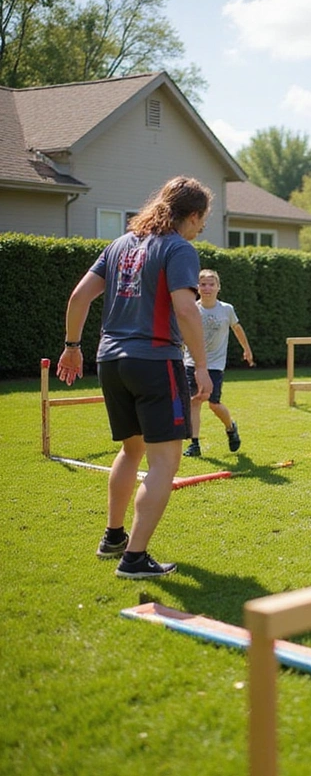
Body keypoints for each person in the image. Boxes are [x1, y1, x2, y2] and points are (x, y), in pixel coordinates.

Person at [56, 176, 214, 579]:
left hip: (110, 361)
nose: (201, 230)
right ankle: (134, 558)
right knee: (165, 461)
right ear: (191, 216)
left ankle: (113, 537)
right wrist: (200, 365)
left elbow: (78, 297)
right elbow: (186, 310)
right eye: (201, 221)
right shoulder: (178, 248)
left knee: (132, 450)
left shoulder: (119, 245)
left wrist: (72, 345)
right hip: (155, 360)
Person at [182, 268, 254, 457]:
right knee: (194, 401)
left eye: (211, 284)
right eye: (203, 284)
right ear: (197, 287)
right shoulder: (192, 308)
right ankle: (194, 444)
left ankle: (231, 427)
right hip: (192, 362)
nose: (207, 288)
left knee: (213, 403)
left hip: (214, 365)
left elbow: (237, 329)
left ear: (218, 287)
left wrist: (246, 349)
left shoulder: (226, 309)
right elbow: (182, 333)